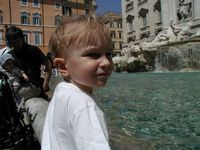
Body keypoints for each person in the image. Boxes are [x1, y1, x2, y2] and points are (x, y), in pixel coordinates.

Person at [42, 15, 114, 150]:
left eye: (109, 54)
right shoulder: (84, 105)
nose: (106, 62)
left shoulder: (61, 91)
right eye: (93, 54)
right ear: (63, 67)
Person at [5, 26, 51, 99]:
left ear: (22, 38)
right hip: (18, 86)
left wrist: (46, 82)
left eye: (17, 41)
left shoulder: (33, 50)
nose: (15, 44)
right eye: (12, 42)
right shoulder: (10, 55)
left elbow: (47, 63)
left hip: (35, 86)